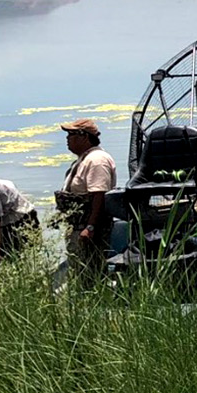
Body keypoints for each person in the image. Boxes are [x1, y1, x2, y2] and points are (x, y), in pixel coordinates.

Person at [56, 118, 118, 278]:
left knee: (90, 272)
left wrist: (90, 227)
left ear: (84, 136)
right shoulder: (84, 158)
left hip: (89, 230)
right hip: (77, 226)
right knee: (79, 270)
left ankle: (92, 299)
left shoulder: (97, 160)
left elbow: (100, 195)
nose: (67, 139)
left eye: (71, 134)